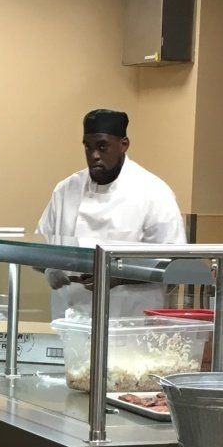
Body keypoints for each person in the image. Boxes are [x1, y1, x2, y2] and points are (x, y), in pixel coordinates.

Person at [37, 108, 186, 317]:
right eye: (88, 147)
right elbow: (38, 250)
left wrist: (115, 276)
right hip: (71, 322)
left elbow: (173, 263)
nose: (94, 155)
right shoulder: (65, 190)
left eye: (102, 147)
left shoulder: (153, 192)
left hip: (129, 324)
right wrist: (52, 268)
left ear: (123, 145)